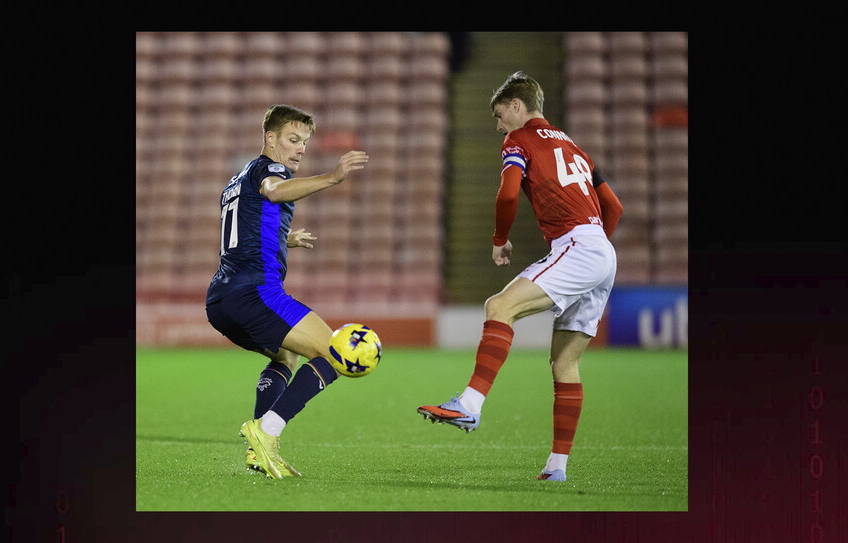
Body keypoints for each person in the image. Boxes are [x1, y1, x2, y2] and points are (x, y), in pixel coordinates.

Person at [417, 72, 624, 482]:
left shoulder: (518, 141)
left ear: (516, 106)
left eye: (499, 115)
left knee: (499, 306)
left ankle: (470, 405)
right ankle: (557, 468)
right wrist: (595, 247)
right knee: (564, 363)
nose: (498, 126)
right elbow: (613, 207)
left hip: (578, 246)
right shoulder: (575, 148)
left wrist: (500, 239)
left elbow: (509, 193)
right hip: (601, 250)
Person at [206, 104, 369, 479]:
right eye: (293, 140)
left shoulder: (237, 178)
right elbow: (276, 192)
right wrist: (332, 177)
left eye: (305, 143)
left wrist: (283, 240)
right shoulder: (268, 168)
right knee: (336, 354)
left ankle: (258, 452)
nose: (300, 149)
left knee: (286, 358)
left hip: (220, 300)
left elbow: (243, 228)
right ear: (270, 138)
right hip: (255, 293)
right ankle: (266, 431)